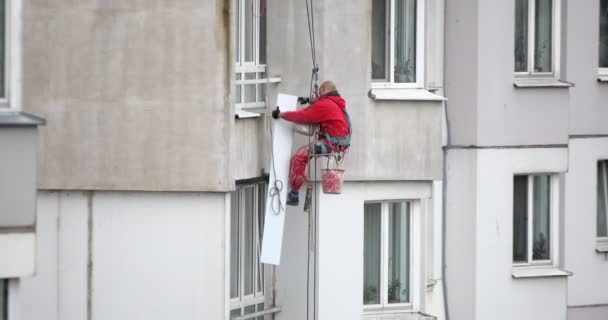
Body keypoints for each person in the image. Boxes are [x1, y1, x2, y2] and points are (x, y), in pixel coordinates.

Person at [271, 81, 351, 206]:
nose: (318, 95)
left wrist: (281, 114)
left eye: (319, 92)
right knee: (303, 155)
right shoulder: (337, 102)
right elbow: (322, 106)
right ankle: (294, 182)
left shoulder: (326, 105)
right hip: (339, 142)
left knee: (299, 157)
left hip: (331, 143)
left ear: (324, 89)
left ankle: (294, 194)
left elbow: (303, 116)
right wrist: (309, 101)